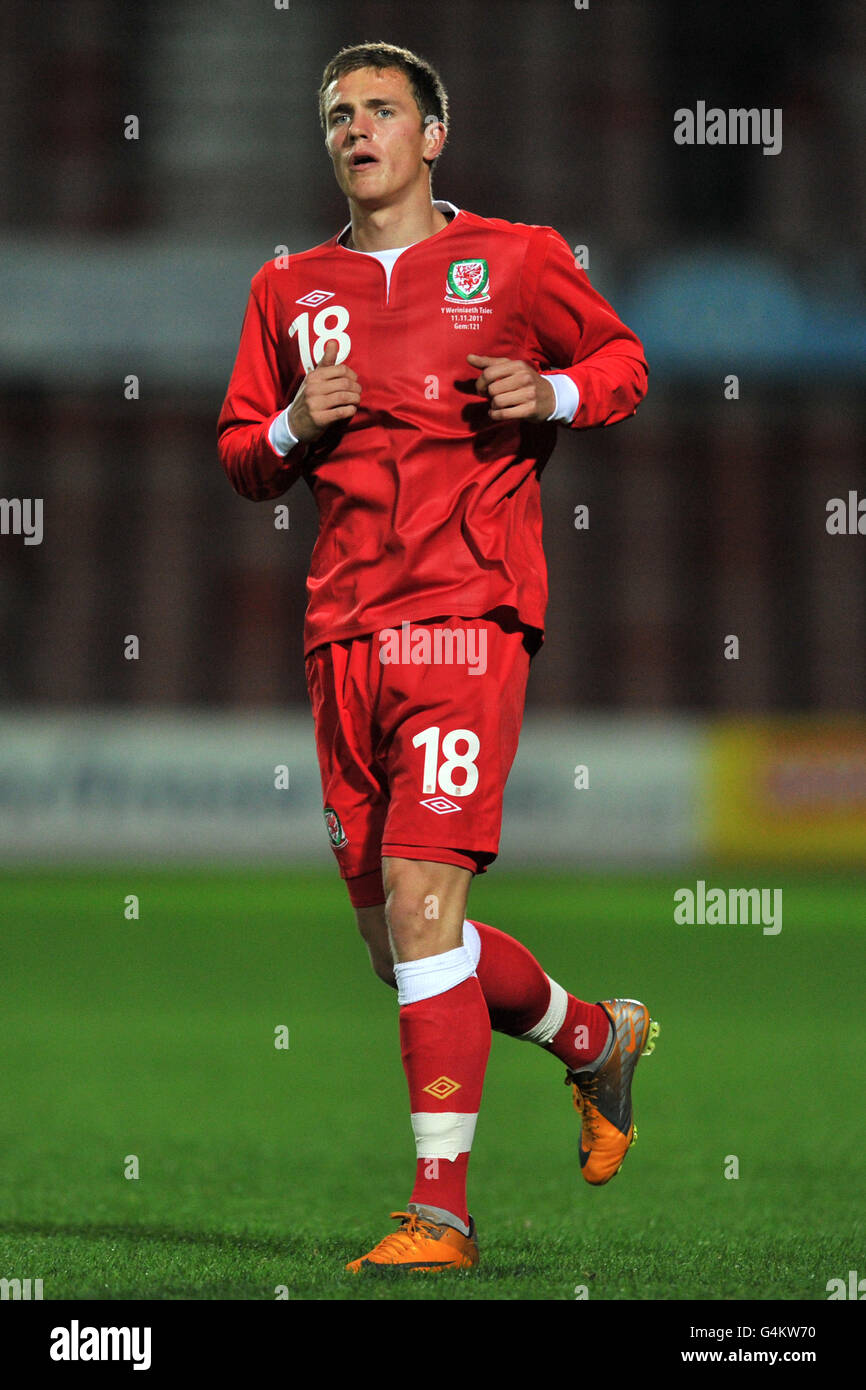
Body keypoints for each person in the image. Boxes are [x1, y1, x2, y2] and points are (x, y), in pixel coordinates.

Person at [218, 41, 657, 1273]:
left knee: (423, 909)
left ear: (433, 135)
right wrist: (297, 422)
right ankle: (590, 1038)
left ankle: (439, 1215)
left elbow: (621, 363)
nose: (355, 130)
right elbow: (241, 450)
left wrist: (552, 394)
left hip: (466, 617)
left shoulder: (516, 257)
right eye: (336, 115)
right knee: (403, 944)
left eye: (379, 110)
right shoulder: (286, 289)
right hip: (340, 635)